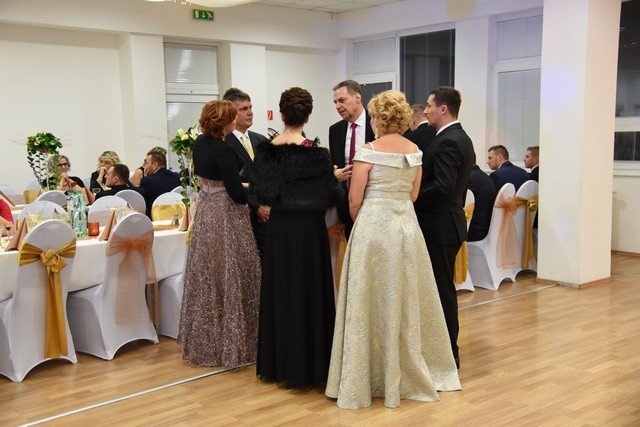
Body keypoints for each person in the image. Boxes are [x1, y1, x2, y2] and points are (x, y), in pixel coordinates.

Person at [326, 90, 461, 409]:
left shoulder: (368, 151)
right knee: (404, 296)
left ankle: (367, 371)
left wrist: (366, 220)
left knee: (369, 297)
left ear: (377, 118)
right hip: (406, 230)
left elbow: (354, 200)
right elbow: (413, 195)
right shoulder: (415, 151)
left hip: (373, 229)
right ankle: (405, 367)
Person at [253, 87, 341, 389]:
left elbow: (260, 193)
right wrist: (333, 178)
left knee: (281, 289)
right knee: (308, 291)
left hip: (280, 229)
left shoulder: (266, 152)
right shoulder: (317, 155)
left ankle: (279, 364)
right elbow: (330, 196)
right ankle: (310, 364)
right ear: (308, 116)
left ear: (281, 115)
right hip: (308, 231)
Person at [178, 100, 261, 368]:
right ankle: (235, 341)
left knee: (209, 272)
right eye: (233, 116)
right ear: (224, 122)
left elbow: (214, 180)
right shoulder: (223, 149)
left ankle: (207, 341)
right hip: (226, 214)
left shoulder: (200, 143)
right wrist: (257, 196)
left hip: (206, 210)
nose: (237, 119)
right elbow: (235, 193)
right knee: (233, 271)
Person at [414, 86, 475, 368]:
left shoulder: (450, 140)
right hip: (444, 224)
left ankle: (449, 353)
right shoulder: (456, 136)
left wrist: (411, 197)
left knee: (442, 291)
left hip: (440, 226)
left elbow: (443, 187)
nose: (425, 111)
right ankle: (442, 350)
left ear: (443, 109)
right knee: (440, 289)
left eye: (429, 106)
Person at [222, 88, 270, 258]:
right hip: (239, 214)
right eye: (244, 109)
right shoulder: (224, 142)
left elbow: (270, 176)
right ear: (231, 113)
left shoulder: (261, 140)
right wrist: (256, 207)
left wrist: (268, 204)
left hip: (267, 214)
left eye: (250, 107)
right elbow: (228, 184)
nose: (250, 112)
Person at [328, 80, 375, 239]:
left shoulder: (377, 124)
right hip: (346, 204)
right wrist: (334, 173)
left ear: (357, 97)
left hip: (373, 202)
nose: (338, 106)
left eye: (342, 100)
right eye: (335, 102)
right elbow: (334, 163)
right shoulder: (335, 130)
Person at [139, 151, 181, 217]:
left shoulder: (147, 180)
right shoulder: (178, 177)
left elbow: (141, 201)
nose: (145, 166)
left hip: (156, 217)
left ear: (155, 165)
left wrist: (146, 178)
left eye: (146, 163)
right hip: (177, 215)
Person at [467, 161, 497, 242]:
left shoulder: (470, 178)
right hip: (485, 226)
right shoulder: (483, 175)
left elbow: (463, 203)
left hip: (475, 231)